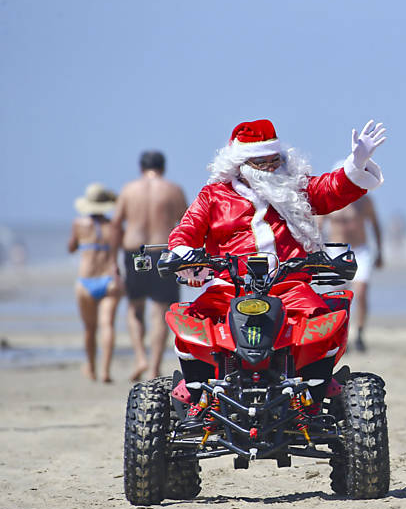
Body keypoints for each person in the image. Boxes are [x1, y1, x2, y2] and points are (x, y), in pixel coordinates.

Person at [167, 118, 386, 391]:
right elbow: (186, 230)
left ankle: (315, 390)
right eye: (263, 162)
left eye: (276, 159)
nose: (272, 167)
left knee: (320, 319)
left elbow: (330, 190)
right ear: (241, 165)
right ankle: (197, 392)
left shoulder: (294, 188)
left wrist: (355, 165)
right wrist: (183, 254)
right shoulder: (213, 196)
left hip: (289, 284)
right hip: (228, 286)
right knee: (193, 321)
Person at [112, 151, 188, 380]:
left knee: (135, 307)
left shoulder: (128, 190)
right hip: (162, 252)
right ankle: (154, 365)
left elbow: (116, 225)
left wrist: (112, 261)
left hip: (135, 252)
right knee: (161, 310)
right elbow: (186, 223)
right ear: (163, 167)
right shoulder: (173, 189)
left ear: (140, 167)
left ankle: (140, 357)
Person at [68, 183, 123, 382]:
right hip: (110, 279)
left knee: (89, 329)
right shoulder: (115, 227)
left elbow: (71, 247)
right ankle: (106, 371)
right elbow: (124, 247)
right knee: (108, 325)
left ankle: (91, 369)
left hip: (86, 280)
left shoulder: (78, 224)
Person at [323, 192, 384, 352]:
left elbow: (375, 225)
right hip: (336, 251)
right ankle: (341, 336)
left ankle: (359, 334)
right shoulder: (329, 198)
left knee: (361, 291)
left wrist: (380, 253)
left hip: (360, 250)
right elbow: (318, 226)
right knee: (338, 295)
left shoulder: (364, 201)